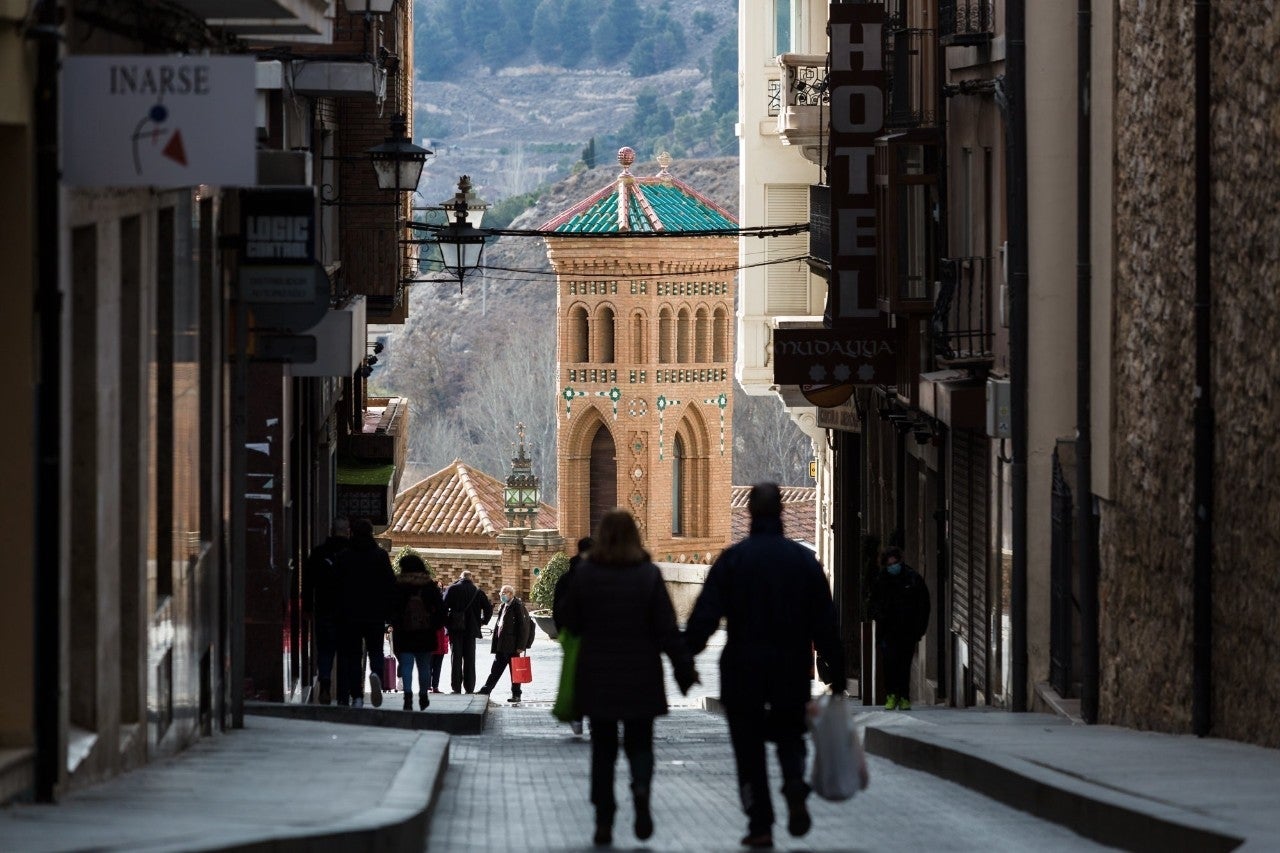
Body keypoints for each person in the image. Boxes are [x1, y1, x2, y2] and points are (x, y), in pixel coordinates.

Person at [684, 483, 846, 849]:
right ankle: (793, 785)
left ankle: (760, 824)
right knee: (790, 734)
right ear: (781, 513)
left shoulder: (734, 560)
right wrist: (837, 667)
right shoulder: (804, 562)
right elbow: (825, 620)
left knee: (749, 747)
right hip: (791, 666)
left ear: (750, 514)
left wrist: (686, 656)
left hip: (743, 668)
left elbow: (705, 615)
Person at [560, 509, 698, 847]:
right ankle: (640, 789)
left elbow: (567, 621)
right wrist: (684, 668)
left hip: (598, 675)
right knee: (640, 743)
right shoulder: (648, 575)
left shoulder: (587, 574)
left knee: (603, 749)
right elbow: (667, 630)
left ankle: (604, 818)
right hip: (642, 676)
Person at [333, 518, 396, 708]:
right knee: (375, 650)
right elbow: (390, 584)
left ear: (352, 533)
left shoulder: (344, 556)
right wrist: (389, 612)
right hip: (374, 613)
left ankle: (357, 696)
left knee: (352, 655)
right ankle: (375, 673)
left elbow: (335, 586)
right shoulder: (380, 556)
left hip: (349, 614)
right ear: (372, 534)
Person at [869, 545, 931, 711]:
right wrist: (879, 616)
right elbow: (872, 603)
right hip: (887, 632)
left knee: (904, 665)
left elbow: (923, 605)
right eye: (889, 564)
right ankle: (891, 696)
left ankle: (904, 697)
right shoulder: (881, 581)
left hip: (907, 632)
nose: (893, 567)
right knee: (889, 665)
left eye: (895, 563)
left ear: (900, 561)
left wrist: (919, 629)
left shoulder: (912, 579)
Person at [302, 517, 349, 705]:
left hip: (324, 609)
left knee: (325, 651)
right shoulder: (352, 553)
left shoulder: (319, 553)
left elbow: (307, 583)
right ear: (347, 531)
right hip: (348, 612)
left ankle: (325, 687)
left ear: (331, 529)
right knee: (346, 652)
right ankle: (344, 695)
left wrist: (307, 607)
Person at [390, 554, 445, 711]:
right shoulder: (428, 585)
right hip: (425, 633)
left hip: (404, 633)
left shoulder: (398, 585)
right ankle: (423, 695)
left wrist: (396, 624)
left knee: (406, 665)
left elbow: (391, 608)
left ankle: (407, 696)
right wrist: (434, 625)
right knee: (424, 666)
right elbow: (441, 609)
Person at [552, 536, 593, 735]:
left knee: (576, 678)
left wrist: (562, 633)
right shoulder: (599, 575)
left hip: (573, 635)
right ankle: (596, 718)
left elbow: (557, 608)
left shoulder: (566, 578)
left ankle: (577, 717)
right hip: (595, 636)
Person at [476, 584, 534, 702]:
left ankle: (516, 694)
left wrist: (520, 646)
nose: (502, 595)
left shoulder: (517, 606)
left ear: (511, 594)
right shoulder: (504, 606)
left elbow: (523, 627)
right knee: (496, 669)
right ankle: (486, 690)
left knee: (515, 671)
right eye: (501, 592)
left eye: (505, 592)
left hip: (512, 646)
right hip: (502, 645)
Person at [442, 570, 492, 694]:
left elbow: (441, 608)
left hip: (455, 630)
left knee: (456, 659)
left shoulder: (452, 589)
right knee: (470, 659)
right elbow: (488, 609)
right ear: (471, 578)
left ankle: (456, 687)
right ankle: (469, 687)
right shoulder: (477, 592)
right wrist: (482, 622)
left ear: (460, 578)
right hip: (471, 630)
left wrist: (448, 622)